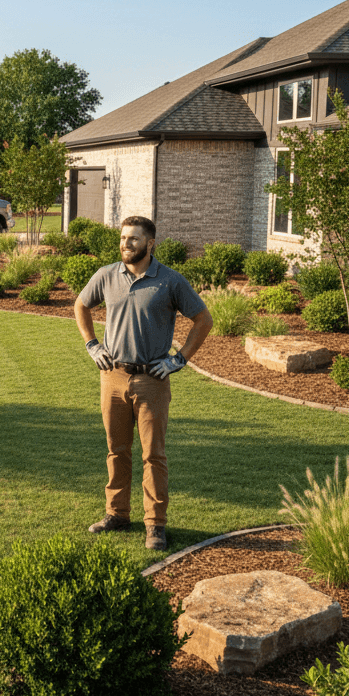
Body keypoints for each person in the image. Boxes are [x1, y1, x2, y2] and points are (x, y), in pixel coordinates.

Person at [73, 216, 214, 551]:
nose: (126, 244)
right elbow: (81, 305)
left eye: (134, 239)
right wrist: (92, 345)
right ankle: (117, 514)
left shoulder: (170, 281)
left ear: (151, 243)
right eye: (123, 238)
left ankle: (155, 525)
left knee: (153, 455)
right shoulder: (106, 276)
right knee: (117, 451)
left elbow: (203, 319)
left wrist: (179, 359)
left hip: (152, 379)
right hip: (113, 377)